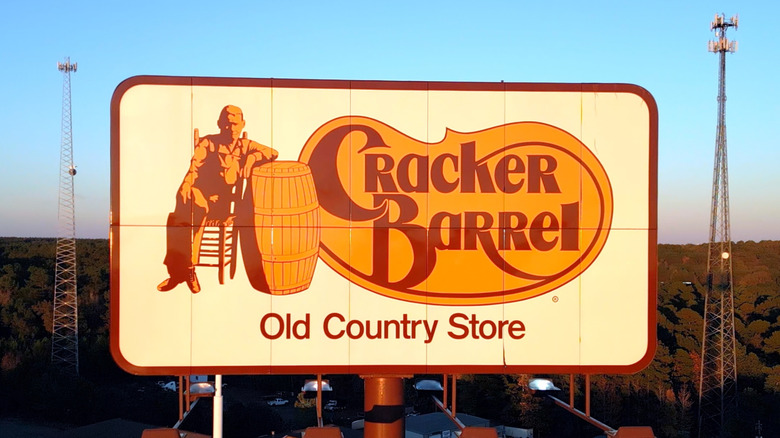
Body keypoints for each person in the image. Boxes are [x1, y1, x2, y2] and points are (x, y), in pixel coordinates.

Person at [157, 105, 278, 293]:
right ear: (220, 125)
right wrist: (186, 186)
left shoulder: (246, 146)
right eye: (227, 124)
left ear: (242, 124)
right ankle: (186, 271)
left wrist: (253, 158)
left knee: (183, 217)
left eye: (236, 124)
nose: (232, 128)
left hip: (223, 206)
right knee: (184, 210)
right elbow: (194, 168)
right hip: (201, 197)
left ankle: (180, 273)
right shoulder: (208, 143)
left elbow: (273, 152)